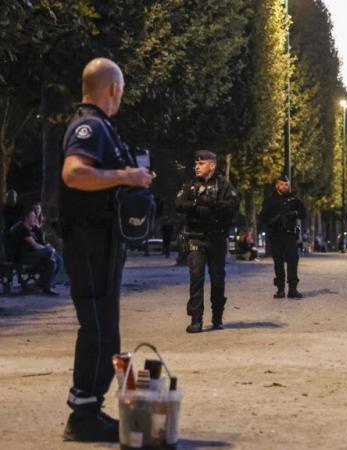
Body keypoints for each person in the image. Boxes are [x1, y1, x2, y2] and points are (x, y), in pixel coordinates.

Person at [59, 58, 154, 442]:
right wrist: (127, 176)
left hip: (102, 242)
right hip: (88, 241)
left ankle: (89, 408)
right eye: (122, 91)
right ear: (113, 89)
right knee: (97, 326)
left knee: (105, 326)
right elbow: (74, 173)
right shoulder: (90, 126)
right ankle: (82, 414)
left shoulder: (104, 128)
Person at [175, 150, 239, 333]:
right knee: (196, 277)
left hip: (217, 238)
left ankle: (217, 317)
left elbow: (234, 205)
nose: (196, 166)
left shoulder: (224, 185)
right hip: (195, 236)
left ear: (212, 165)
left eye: (201, 163)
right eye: (196, 163)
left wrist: (212, 205)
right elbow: (178, 204)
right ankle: (196, 320)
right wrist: (195, 204)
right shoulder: (190, 185)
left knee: (218, 279)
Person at [259, 175, 306, 299]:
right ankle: (280, 289)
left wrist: (294, 213)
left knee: (292, 261)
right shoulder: (270, 201)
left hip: (290, 235)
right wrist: (273, 220)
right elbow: (262, 217)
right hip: (276, 235)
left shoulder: (294, 200)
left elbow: (303, 214)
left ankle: (292, 289)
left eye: (286, 184)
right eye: (282, 184)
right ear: (277, 185)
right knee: (278, 263)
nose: (285, 187)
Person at [8, 205, 60, 295]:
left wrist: (38, 229)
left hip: (32, 255)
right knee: (50, 252)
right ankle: (42, 284)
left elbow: (41, 243)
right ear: (26, 218)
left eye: (35, 216)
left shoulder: (32, 228)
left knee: (56, 261)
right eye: (32, 216)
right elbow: (35, 246)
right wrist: (49, 249)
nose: (35, 218)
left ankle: (44, 286)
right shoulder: (22, 229)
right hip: (22, 257)